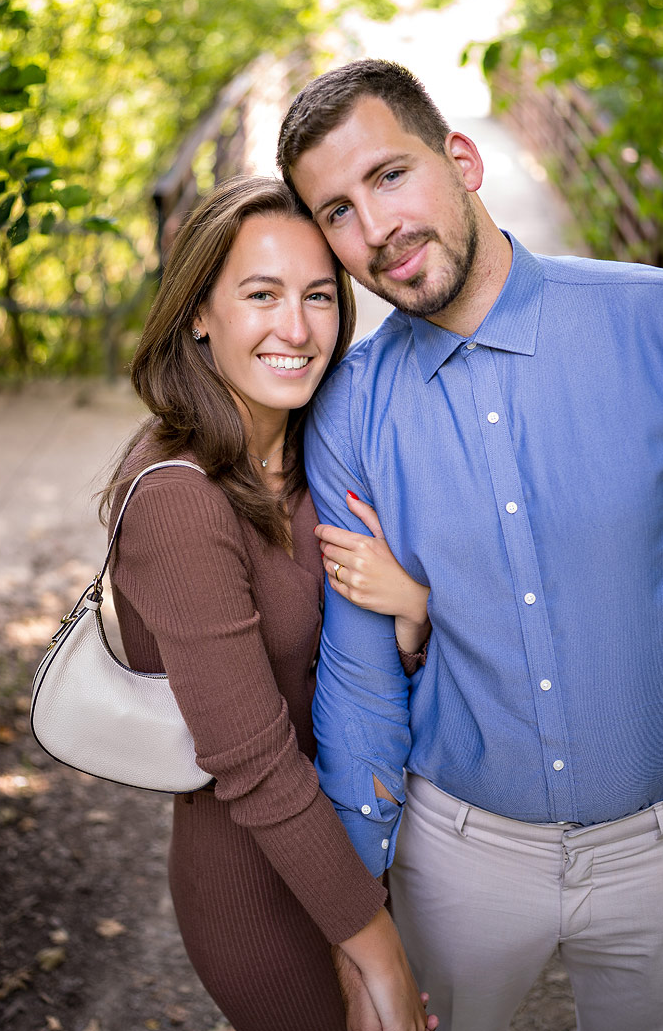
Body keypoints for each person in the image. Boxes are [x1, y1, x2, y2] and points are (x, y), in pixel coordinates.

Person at [275, 58, 663, 1031]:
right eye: (338, 211)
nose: (376, 227)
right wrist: (365, 934)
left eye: (390, 175)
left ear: (463, 159)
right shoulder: (345, 407)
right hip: (460, 854)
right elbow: (359, 686)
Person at [99, 176, 437, 1031]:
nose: (296, 328)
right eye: (261, 295)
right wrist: (379, 953)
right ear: (199, 313)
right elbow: (253, 761)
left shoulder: (323, 444)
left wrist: (411, 619)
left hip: (363, 838)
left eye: (318, 297)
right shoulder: (181, 499)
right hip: (260, 884)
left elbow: (348, 660)